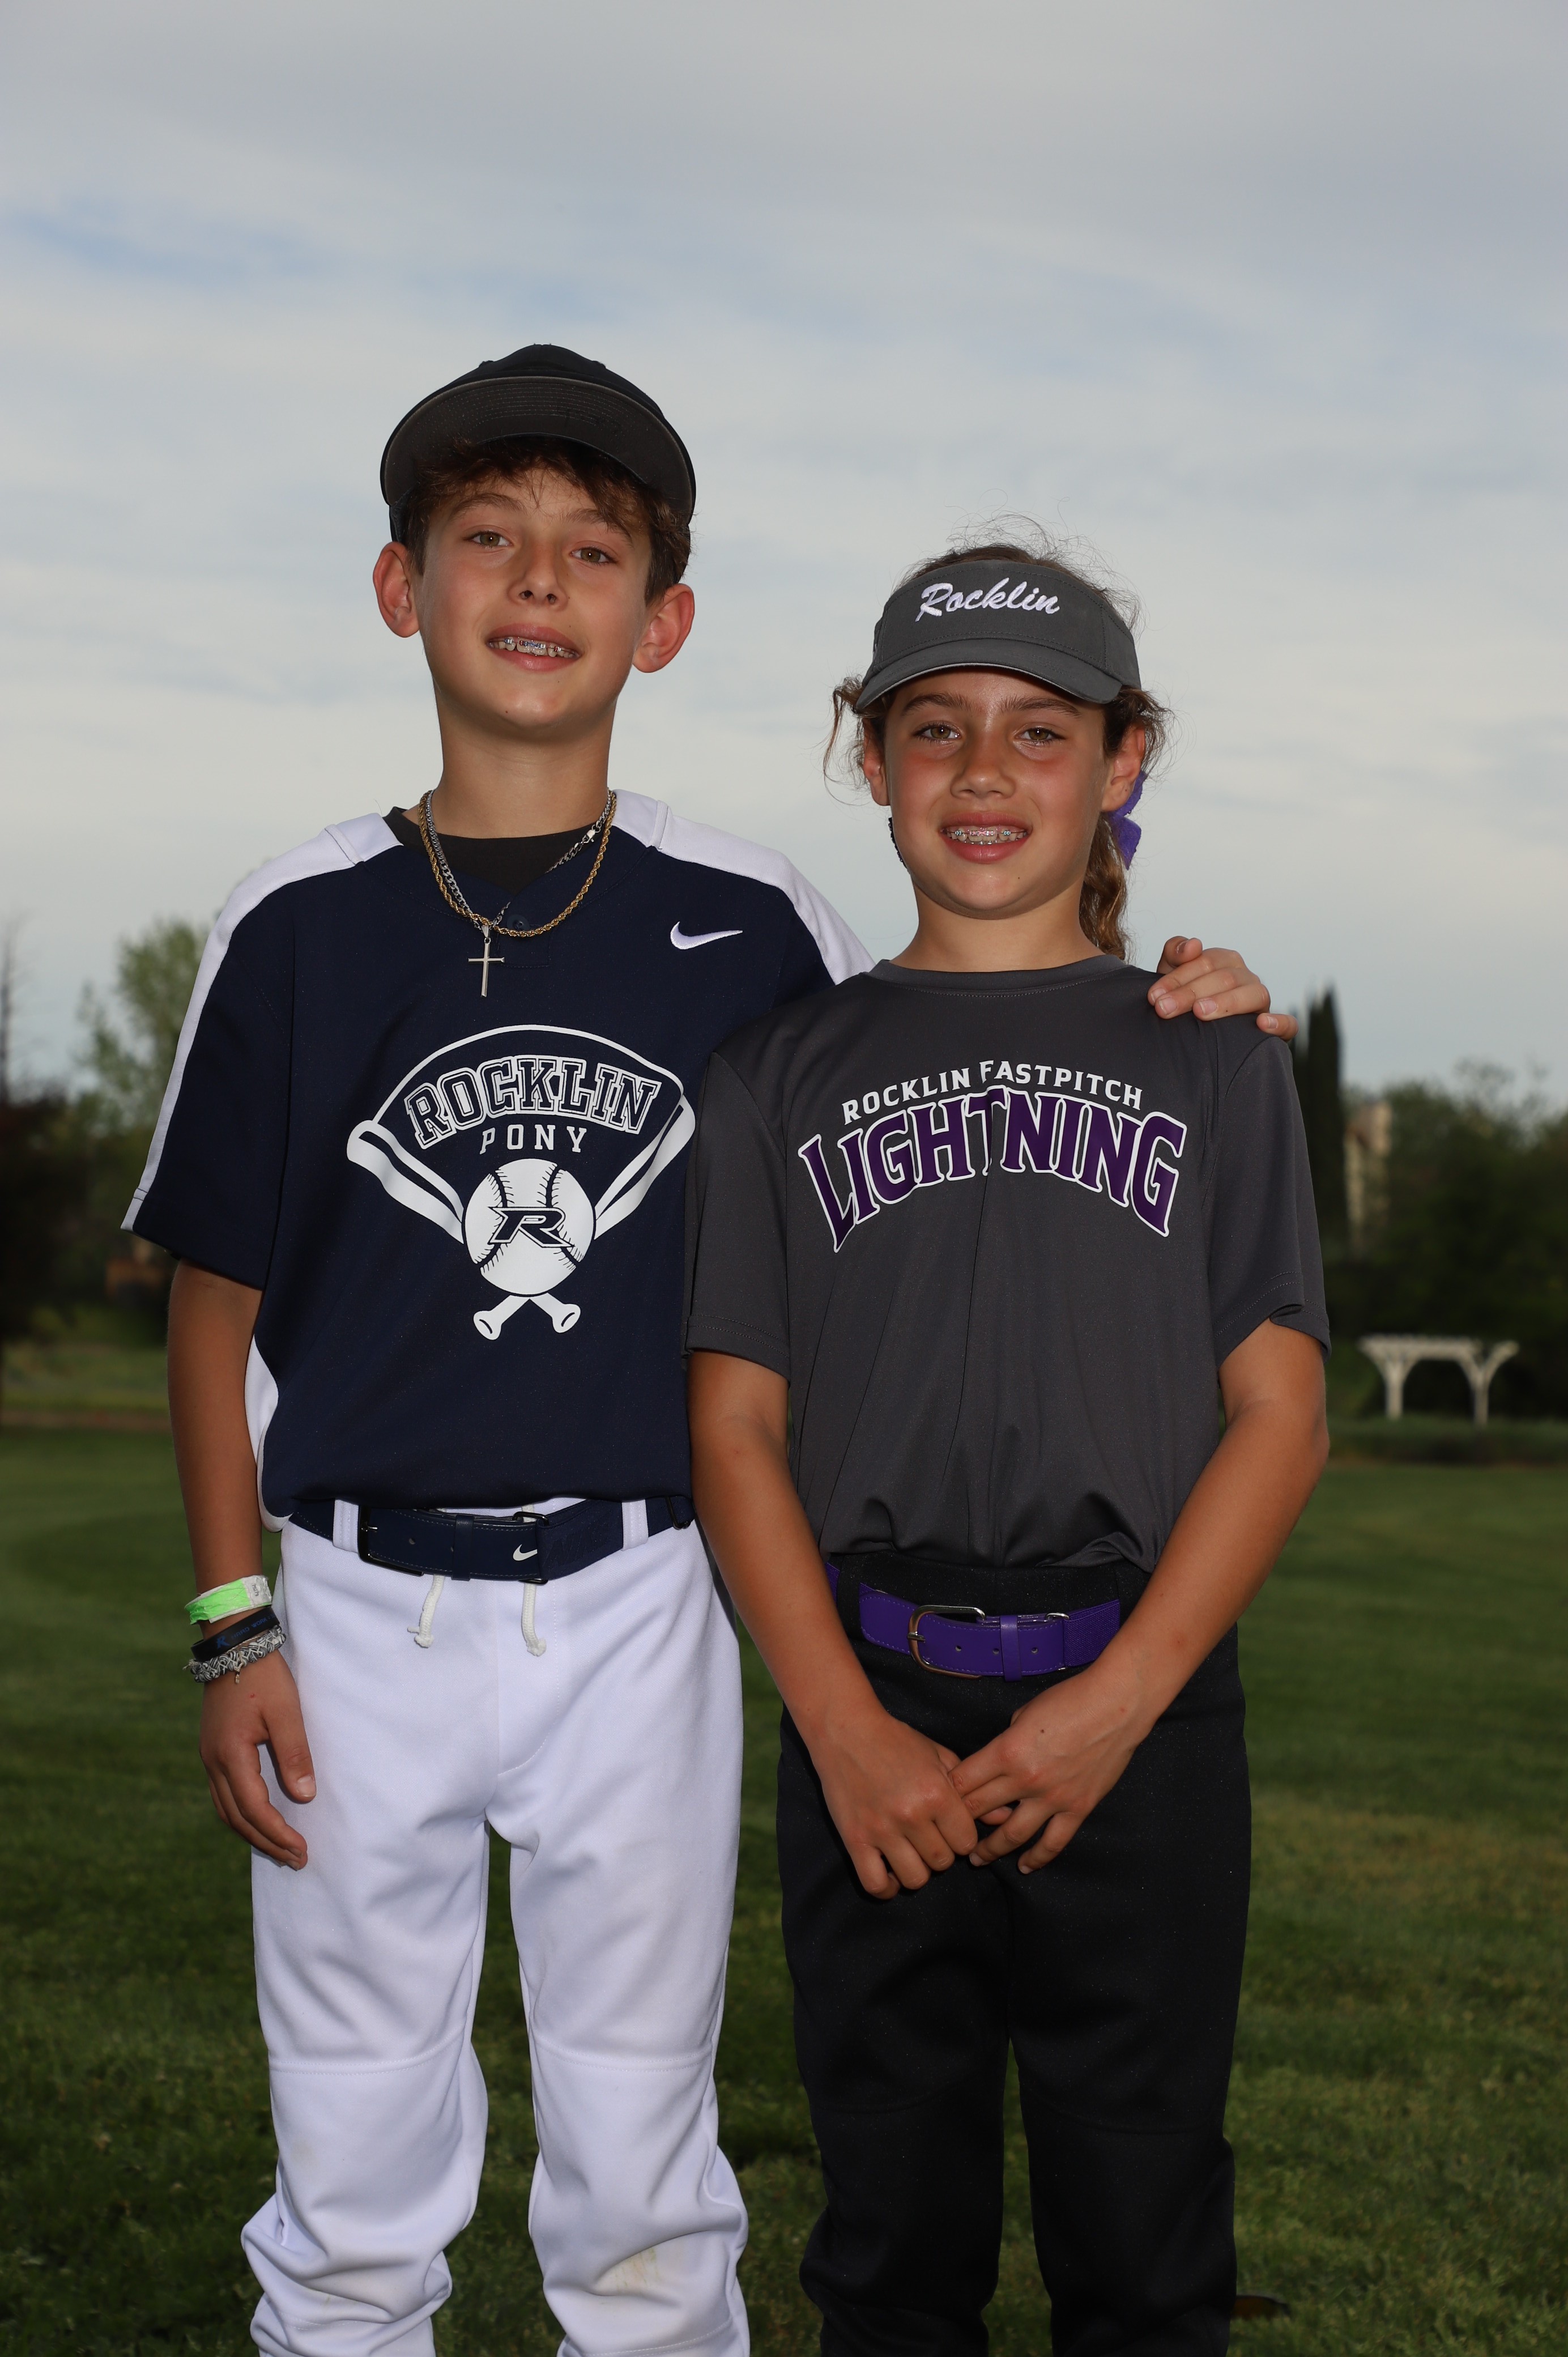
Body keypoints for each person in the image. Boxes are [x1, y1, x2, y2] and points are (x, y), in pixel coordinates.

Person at [131, 342, 1296, 2357]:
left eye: (594, 550)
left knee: (642, 2164)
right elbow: (213, 1302)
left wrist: (1184, 981)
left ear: (661, 621)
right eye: (485, 538)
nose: (538, 580)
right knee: (349, 2155)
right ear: (401, 585)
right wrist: (234, 1625)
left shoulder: (760, 926)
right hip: (352, 1597)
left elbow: (967, 1045)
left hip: (642, 1589)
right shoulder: (299, 918)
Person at [684, 533, 1330, 2356]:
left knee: (1144, 2246)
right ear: (870, 756)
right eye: (935, 728)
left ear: (1124, 761)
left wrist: (1114, 1706)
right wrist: (842, 1729)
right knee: (893, 2249)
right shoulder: (778, 1070)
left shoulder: (1212, 1056)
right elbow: (734, 1426)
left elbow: (1282, 1414)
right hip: (874, 1703)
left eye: (1041, 732)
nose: (984, 772)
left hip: (1140, 1702)